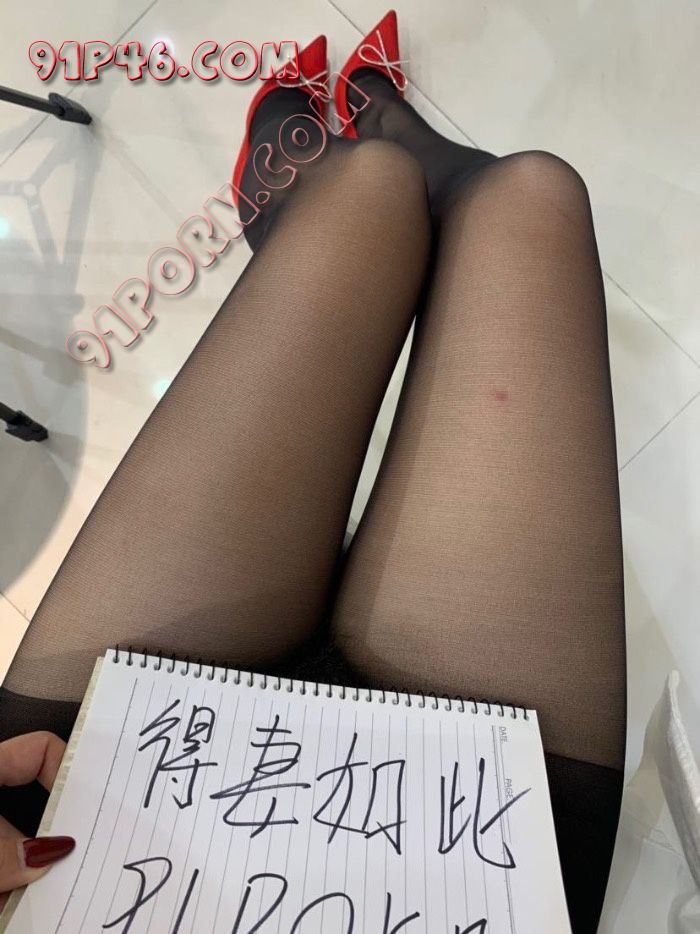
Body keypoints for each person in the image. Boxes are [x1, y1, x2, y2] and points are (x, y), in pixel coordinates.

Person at [0, 12, 625, 932]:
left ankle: (340, 187)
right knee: (534, 197)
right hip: (483, 862)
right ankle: (409, 179)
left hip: (83, 805)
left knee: (374, 189)